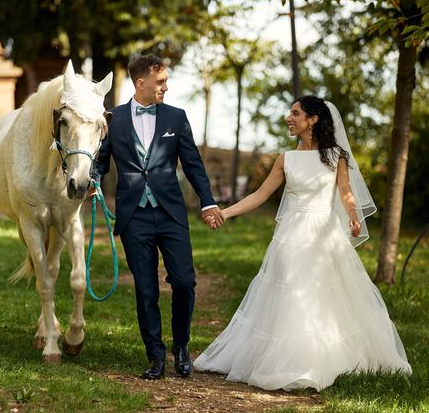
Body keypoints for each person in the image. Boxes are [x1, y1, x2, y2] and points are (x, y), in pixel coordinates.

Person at [195, 96, 412, 391]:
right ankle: (287, 360)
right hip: (291, 236)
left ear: (313, 120)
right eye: (289, 112)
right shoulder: (287, 159)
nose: (289, 118)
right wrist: (225, 212)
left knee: (322, 297)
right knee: (291, 294)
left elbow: (346, 193)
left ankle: (320, 358)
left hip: (325, 234)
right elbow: (259, 195)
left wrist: (352, 215)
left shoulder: (337, 156)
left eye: (295, 113)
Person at [93, 54, 223, 379]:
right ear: (142, 83)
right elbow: (100, 161)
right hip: (133, 216)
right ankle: (155, 355)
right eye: (160, 81)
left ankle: (182, 346)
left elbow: (193, 164)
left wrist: (207, 201)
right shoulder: (114, 118)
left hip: (170, 213)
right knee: (146, 288)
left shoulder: (176, 118)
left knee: (184, 282)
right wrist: (92, 181)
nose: (166, 86)